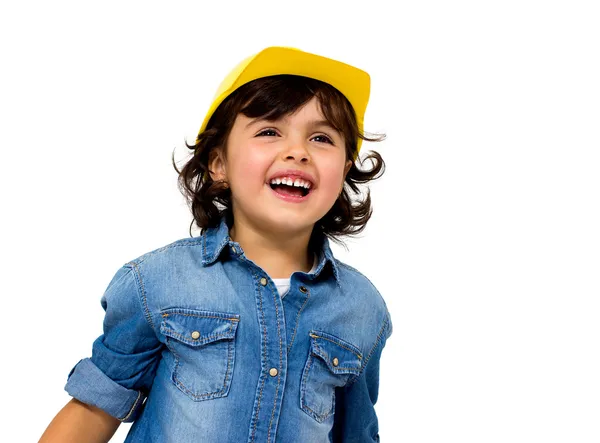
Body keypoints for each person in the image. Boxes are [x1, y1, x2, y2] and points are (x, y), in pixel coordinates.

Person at [39, 46, 393, 443]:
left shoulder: (362, 309)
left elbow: (356, 433)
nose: (298, 151)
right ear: (218, 164)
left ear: (345, 168)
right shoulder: (156, 282)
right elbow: (94, 408)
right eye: (269, 131)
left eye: (322, 137)